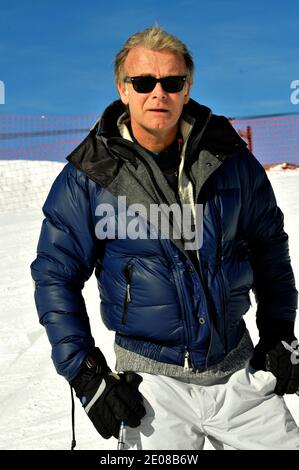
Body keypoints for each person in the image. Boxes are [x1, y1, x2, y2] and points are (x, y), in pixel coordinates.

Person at [31, 25, 299, 450]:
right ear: (123, 89)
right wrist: (87, 375)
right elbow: (54, 275)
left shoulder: (233, 162)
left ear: (187, 89)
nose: (159, 93)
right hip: (152, 387)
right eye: (143, 82)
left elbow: (270, 251)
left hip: (239, 375)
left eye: (172, 82)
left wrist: (280, 332)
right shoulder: (88, 176)